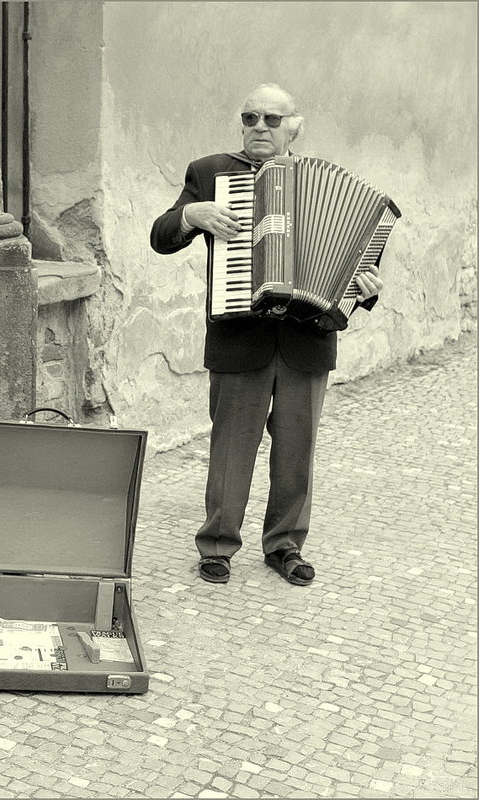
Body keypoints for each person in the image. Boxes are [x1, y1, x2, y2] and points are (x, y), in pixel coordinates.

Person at [149, 83, 383, 586]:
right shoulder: (211, 173)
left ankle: (284, 546)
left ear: (293, 127)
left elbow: (355, 269)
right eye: (250, 117)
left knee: (296, 451)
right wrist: (191, 215)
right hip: (240, 336)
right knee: (231, 447)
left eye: (272, 120)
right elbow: (161, 235)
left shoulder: (325, 182)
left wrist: (364, 289)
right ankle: (217, 544)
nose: (259, 127)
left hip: (307, 339)